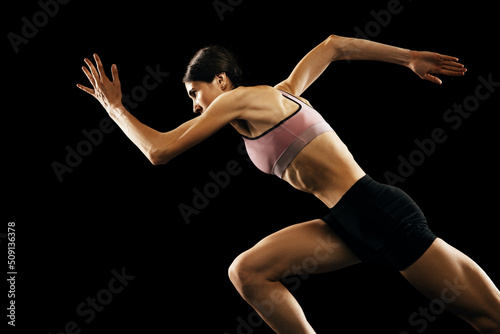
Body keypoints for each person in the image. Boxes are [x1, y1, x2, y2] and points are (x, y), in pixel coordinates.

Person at [77, 34, 500, 333]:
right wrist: (406, 57)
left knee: (489, 318)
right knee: (248, 271)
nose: (195, 104)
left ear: (222, 81)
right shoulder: (281, 94)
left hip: (378, 212)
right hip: (347, 222)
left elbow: (159, 151)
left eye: (195, 92)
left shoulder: (240, 99)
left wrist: (115, 109)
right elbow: (335, 45)